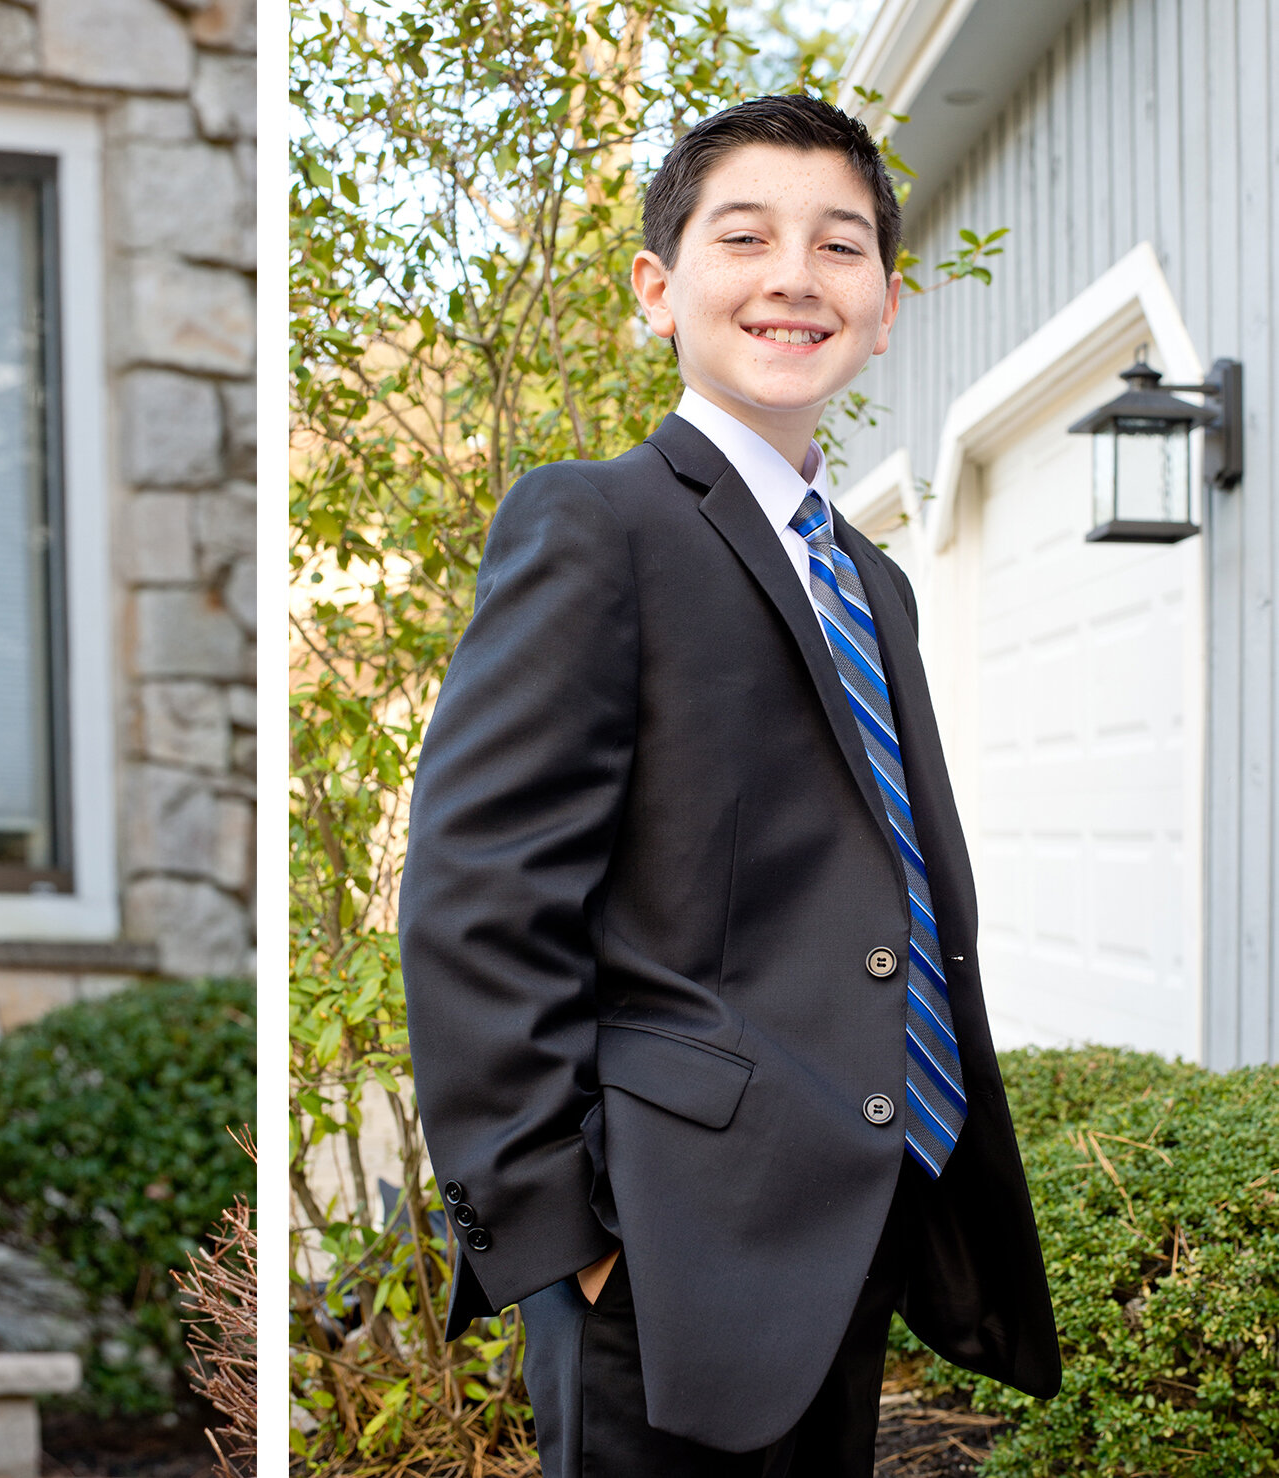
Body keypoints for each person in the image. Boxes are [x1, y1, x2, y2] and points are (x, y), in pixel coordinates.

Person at [397, 94, 1060, 1476]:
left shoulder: (868, 578)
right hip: (661, 1246)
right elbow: (477, 897)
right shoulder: (598, 520)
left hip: (846, 1211)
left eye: (840, 246)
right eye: (745, 236)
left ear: (884, 303)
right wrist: (564, 1237)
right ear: (660, 287)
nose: (793, 278)